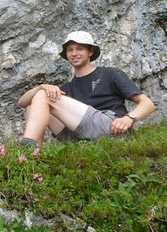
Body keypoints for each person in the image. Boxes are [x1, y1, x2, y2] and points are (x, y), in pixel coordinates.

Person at [16, 31, 156, 146]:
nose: (74, 53)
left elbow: (148, 104)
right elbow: (22, 102)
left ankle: (28, 147)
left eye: (79, 49)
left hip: (110, 126)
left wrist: (128, 119)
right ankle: (34, 155)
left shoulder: (110, 74)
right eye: (70, 50)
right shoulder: (68, 87)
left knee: (44, 95)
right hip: (80, 134)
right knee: (34, 103)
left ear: (90, 51)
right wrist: (41, 87)